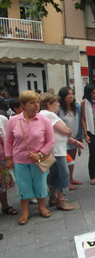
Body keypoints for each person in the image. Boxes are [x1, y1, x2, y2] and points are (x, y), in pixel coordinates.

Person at [5, 90, 55, 225]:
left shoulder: (44, 120)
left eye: (37, 102)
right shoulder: (14, 120)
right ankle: (25, 210)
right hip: (19, 160)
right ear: (23, 105)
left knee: (40, 183)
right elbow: (8, 140)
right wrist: (8, 158)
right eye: (32, 103)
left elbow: (50, 141)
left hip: (38, 160)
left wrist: (40, 153)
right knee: (23, 185)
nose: (36, 105)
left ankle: (41, 206)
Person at [40, 93, 84, 211]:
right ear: (49, 104)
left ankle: (53, 195)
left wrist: (74, 142)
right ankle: (61, 199)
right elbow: (66, 130)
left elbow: (58, 133)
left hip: (54, 149)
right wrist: (68, 132)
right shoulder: (49, 114)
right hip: (57, 150)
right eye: (56, 103)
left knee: (54, 173)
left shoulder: (43, 115)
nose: (58, 104)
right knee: (63, 173)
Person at [58, 86, 83, 190]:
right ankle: (66, 181)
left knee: (72, 160)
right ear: (63, 97)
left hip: (74, 138)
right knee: (64, 161)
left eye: (72, 93)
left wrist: (80, 137)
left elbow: (80, 122)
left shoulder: (77, 107)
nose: (71, 96)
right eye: (68, 94)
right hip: (63, 139)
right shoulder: (59, 108)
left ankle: (71, 178)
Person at [0, 115, 18, 216]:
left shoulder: (2, 119)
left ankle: (5, 206)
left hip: (2, 158)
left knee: (3, 184)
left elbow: (9, 139)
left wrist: (9, 158)